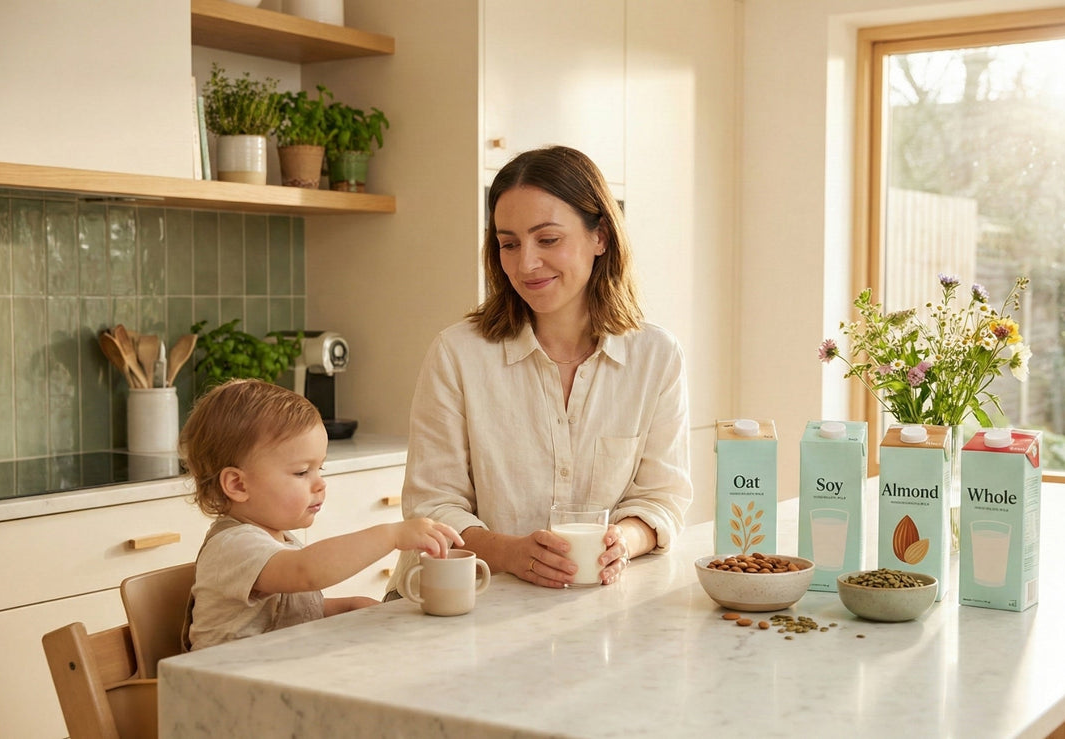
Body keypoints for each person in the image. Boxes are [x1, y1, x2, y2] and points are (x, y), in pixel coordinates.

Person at [387, 145, 692, 595]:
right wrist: (512, 553)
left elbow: (662, 498)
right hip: (457, 599)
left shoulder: (656, 356)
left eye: (547, 239)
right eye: (509, 243)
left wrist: (620, 542)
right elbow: (432, 505)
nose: (525, 263)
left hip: (587, 603)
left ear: (600, 237)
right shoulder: (457, 354)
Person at [179, 379, 462, 651]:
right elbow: (307, 571)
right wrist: (392, 535)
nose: (320, 483)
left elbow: (286, 614)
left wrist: (350, 606)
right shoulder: (234, 546)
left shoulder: (279, 541)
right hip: (221, 690)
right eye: (302, 472)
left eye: (320, 469)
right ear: (238, 485)